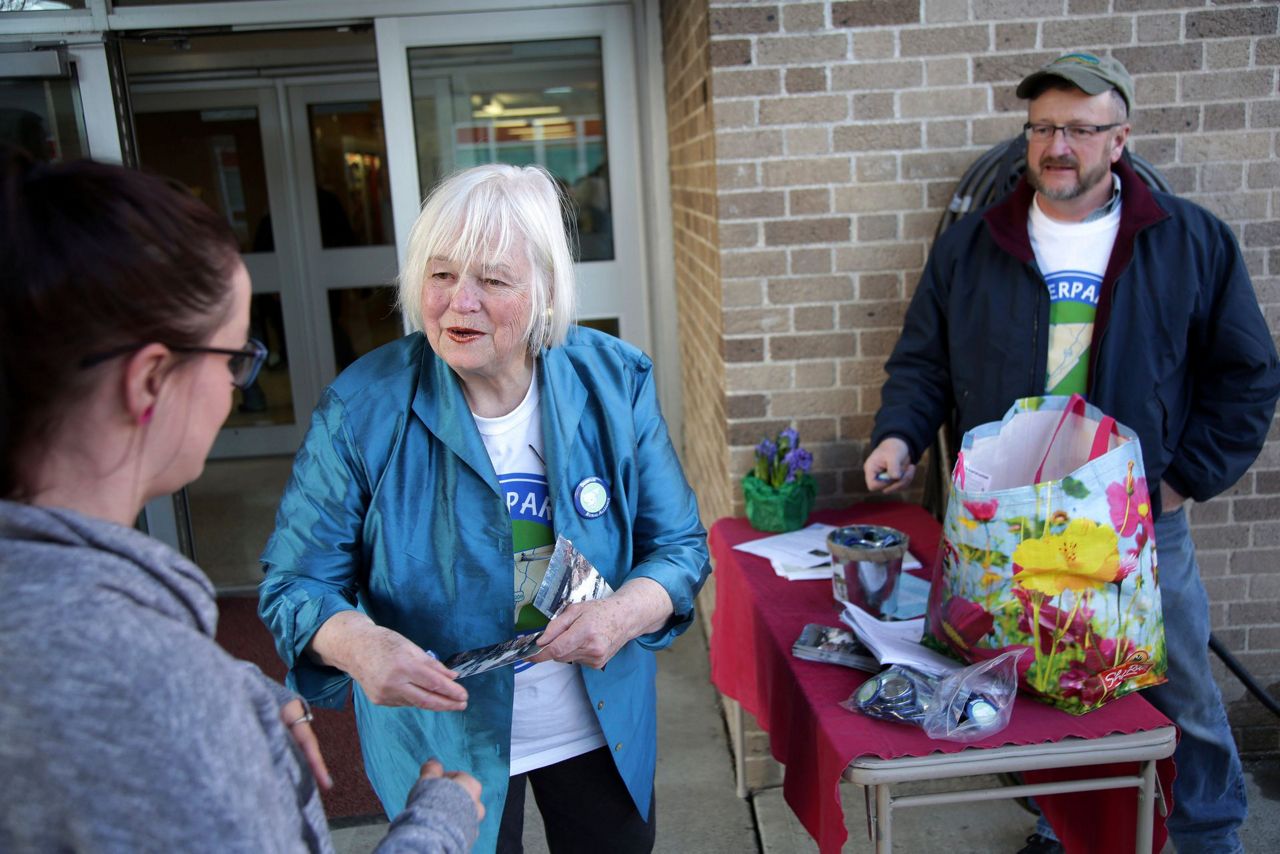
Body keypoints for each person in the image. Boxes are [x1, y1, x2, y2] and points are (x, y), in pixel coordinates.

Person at [0, 149, 483, 853]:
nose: (234, 386)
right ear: (151, 381)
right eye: (233, 358)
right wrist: (436, 827)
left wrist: (235, 688)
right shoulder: (159, 691)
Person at [863, 53, 1279, 854]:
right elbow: (923, 363)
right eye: (1045, 128)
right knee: (1036, 689)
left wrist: (1184, 481)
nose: (1060, 146)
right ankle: (1065, 828)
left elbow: (1249, 374)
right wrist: (899, 435)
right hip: (1007, 532)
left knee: (1179, 690)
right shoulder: (972, 248)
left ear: (1119, 140)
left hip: (1135, 530)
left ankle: (1209, 834)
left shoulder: (1188, 241)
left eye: (1081, 130)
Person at [258, 163, 710, 853]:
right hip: (445, 742)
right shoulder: (363, 408)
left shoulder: (616, 382)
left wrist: (622, 614)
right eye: (441, 275)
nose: (458, 304)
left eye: (493, 280)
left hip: (598, 725)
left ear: (546, 290)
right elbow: (295, 582)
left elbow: (679, 549)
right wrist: (360, 644)